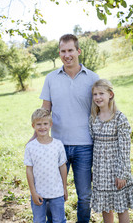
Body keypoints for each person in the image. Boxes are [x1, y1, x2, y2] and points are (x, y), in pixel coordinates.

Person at [39, 34, 99, 223]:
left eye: (70, 50)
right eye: (63, 51)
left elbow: (100, 110)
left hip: (85, 145)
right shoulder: (50, 78)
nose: (67, 55)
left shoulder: (93, 78)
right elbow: (45, 110)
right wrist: (37, 138)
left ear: (78, 51)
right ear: (59, 53)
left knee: (84, 196)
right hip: (57, 145)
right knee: (53, 193)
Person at [89, 79, 133, 223]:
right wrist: (93, 171)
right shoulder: (93, 119)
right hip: (100, 172)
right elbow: (93, 146)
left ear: (110, 94)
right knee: (106, 207)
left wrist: (122, 173)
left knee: (121, 207)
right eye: (95, 94)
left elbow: (125, 149)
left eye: (101, 93)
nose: (98, 97)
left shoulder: (119, 118)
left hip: (116, 170)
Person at [24, 108, 68, 223]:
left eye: (45, 124)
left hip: (57, 192)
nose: (42, 127)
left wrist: (64, 188)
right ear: (33, 126)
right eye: (38, 124)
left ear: (50, 125)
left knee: (59, 220)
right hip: (39, 193)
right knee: (39, 220)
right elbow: (29, 170)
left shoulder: (58, 145)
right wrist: (33, 192)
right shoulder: (30, 147)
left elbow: (63, 167)